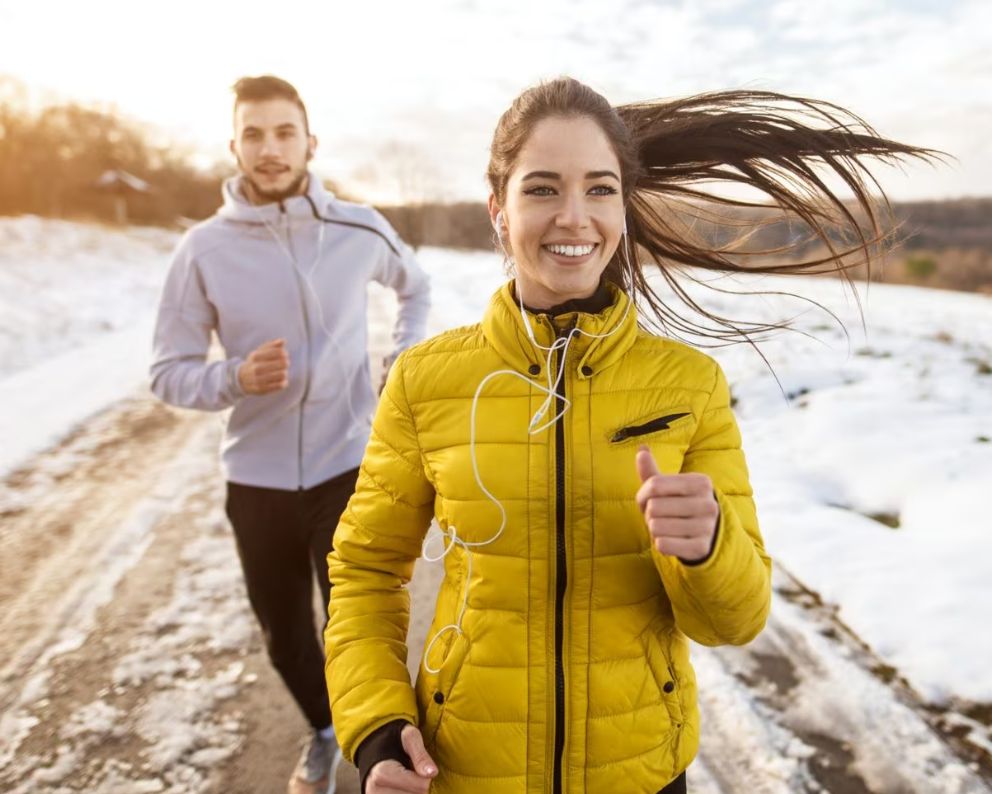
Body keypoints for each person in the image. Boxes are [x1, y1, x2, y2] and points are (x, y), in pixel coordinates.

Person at [323, 78, 933, 794]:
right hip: (467, 770)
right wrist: (375, 729)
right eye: (543, 189)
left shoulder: (688, 385)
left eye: (600, 189)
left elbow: (734, 621)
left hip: (640, 774)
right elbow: (365, 573)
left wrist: (707, 548)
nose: (573, 217)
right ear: (499, 208)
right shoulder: (428, 380)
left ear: (624, 206)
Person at [149, 75, 430, 794]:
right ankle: (325, 726)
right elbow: (167, 372)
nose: (269, 149)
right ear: (234, 146)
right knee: (285, 637)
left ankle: (381, 755)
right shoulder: (203, 250)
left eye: (283, 133)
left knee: (359, 624)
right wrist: (234, 379)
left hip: (347, 466)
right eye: (253, 134)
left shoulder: (358, 228)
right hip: (258, 480)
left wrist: (402, 356)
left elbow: (415, 286)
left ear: (310, 141)